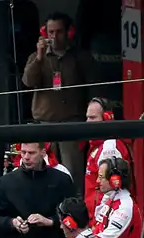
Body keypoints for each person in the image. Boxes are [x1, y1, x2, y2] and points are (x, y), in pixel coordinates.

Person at [21, 12, 100, 189]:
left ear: (69, 33)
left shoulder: (80, 56)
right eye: (50, 32)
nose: (54, 37)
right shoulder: (36, 57)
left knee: (73, 173)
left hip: (71, 123)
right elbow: (28, 82)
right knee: (43, 171)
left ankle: (73, 209)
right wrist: (40, 57)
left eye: (59, 32)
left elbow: (94, 85)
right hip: (44, 123)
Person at [84, 98, 133, 221]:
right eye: (87, 117)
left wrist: (99, 222)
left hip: (104, 219)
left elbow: (110, 191)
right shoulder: (97, 145)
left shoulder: (109, 147)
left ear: (106, 118)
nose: (87, 122)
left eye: (93, 118)